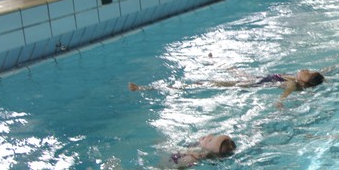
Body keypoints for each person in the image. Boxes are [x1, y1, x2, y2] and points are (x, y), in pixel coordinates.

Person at [130, 68, 324, 104]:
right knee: (233, 70)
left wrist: (280, 102)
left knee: (205, 83)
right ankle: (219, 65)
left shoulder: (292, 83)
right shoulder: (297, 80)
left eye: (306, 73)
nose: (304, 70)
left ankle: (146, 88)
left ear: (304, 81)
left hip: (253, 84)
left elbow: (287, 91)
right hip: (258, 79)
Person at [170, 134, 236, 168]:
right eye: (214, 136)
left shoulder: (192, 157)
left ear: (205, 153)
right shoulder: (197, 148)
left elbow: (172, 167)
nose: (209, 135)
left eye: (210, 140)